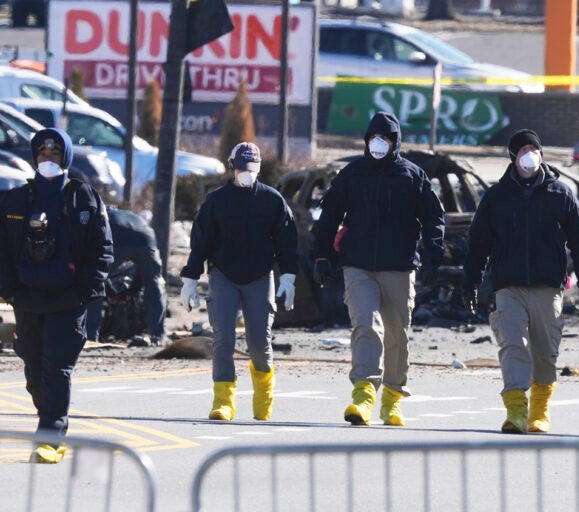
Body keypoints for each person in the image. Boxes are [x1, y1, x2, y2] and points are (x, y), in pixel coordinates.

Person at [311, 111, 445, 426]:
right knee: (365, 326)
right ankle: (363, 394)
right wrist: (321, 256)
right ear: (366, 141)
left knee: (397, 334)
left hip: (399, 267)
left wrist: (433, 257)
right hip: (357, 265)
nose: (378, 143)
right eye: (373, 138)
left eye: (384, 138)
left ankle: (393, 399)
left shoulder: (413, 175)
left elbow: (433, 218)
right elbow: (329, 216)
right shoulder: (352, 174)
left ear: (395, 141)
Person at [462, 128, 579, 434]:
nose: (528, 156)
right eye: (521, 151)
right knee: (513, 346)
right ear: (512, 158)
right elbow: (478, 243)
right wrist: (469, 283)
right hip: (508, 287)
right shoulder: (496, 197)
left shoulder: (560, 194)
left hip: (548, 287)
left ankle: (540, 410)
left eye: (532, 150)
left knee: (545, 351)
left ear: (541, 153)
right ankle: (516, 411)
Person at [0, 127, 113, 463]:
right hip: (27, 299)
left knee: (57, 369)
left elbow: (102, 250)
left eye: (53, 153)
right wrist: (9, 290)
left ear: (64, 158)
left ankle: (50, 437)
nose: (47, 158)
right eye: (42, 154)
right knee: (34, 371)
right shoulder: (16, 199)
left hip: (68, 301)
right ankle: (48, 417)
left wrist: (84, 291)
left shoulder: (84, 197)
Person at [179, 142, 297, 422]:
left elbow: (287, 242)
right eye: (243, 168)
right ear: (233, 167)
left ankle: (264, 396)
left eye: (252, 169)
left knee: (258, 341)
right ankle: (223, 401)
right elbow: (201, 241)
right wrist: (190, 279)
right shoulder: (216, 201)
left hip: (259, 276)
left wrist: (289, 275)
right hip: (223, 276)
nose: (247, 174)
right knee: (224, 338)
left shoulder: (272, 200)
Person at [85, 207, 167, 346]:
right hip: (146, 238)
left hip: (118, 239)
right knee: (154, 285)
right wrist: (133, 289)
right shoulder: (130, 214)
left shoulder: (101, 215)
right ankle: (158, 335)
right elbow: (144, 275)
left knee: (95, 283)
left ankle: (91, 336)